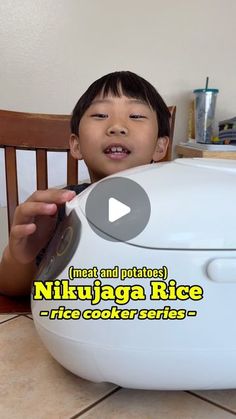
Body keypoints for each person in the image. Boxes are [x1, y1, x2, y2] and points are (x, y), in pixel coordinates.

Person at [0, 70, 170, 296]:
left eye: (136, 116)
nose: (117, 126)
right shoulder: (58, 213)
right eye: (100, 115)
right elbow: (13, 290)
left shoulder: (173, 208)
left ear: (160, 146)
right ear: (76, 145)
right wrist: (20, 255)